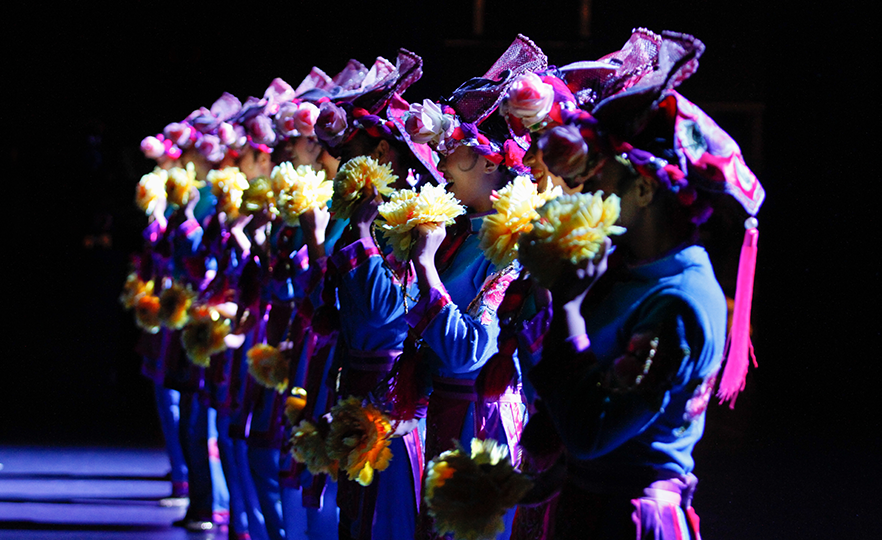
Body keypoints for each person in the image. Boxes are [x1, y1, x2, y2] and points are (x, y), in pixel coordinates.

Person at [520, 29, 765, 539]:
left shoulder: (681, 302)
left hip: (627, 519)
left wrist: (566, 308)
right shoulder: (626, 271)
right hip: (585, 505)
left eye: (604, 179)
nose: (588, 192)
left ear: (646, 186)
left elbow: (592, 433)